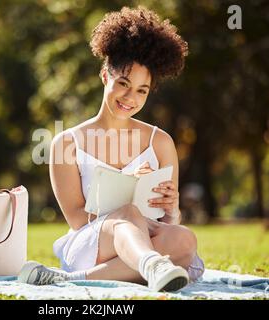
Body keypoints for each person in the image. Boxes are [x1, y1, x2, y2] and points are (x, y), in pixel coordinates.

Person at [18, 6, 205, 292]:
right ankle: (153, 266)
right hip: (92, 245)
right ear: (105, 76)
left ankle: (72, 281)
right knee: (129, 214)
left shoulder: (160, 142)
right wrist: (126, 206)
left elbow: (167, 221)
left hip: (147, 239)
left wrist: (170, 209)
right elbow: (78, 219)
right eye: (123, 84)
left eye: (142, 90)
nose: (130, 98)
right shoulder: (66, 144)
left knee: (184, 240)